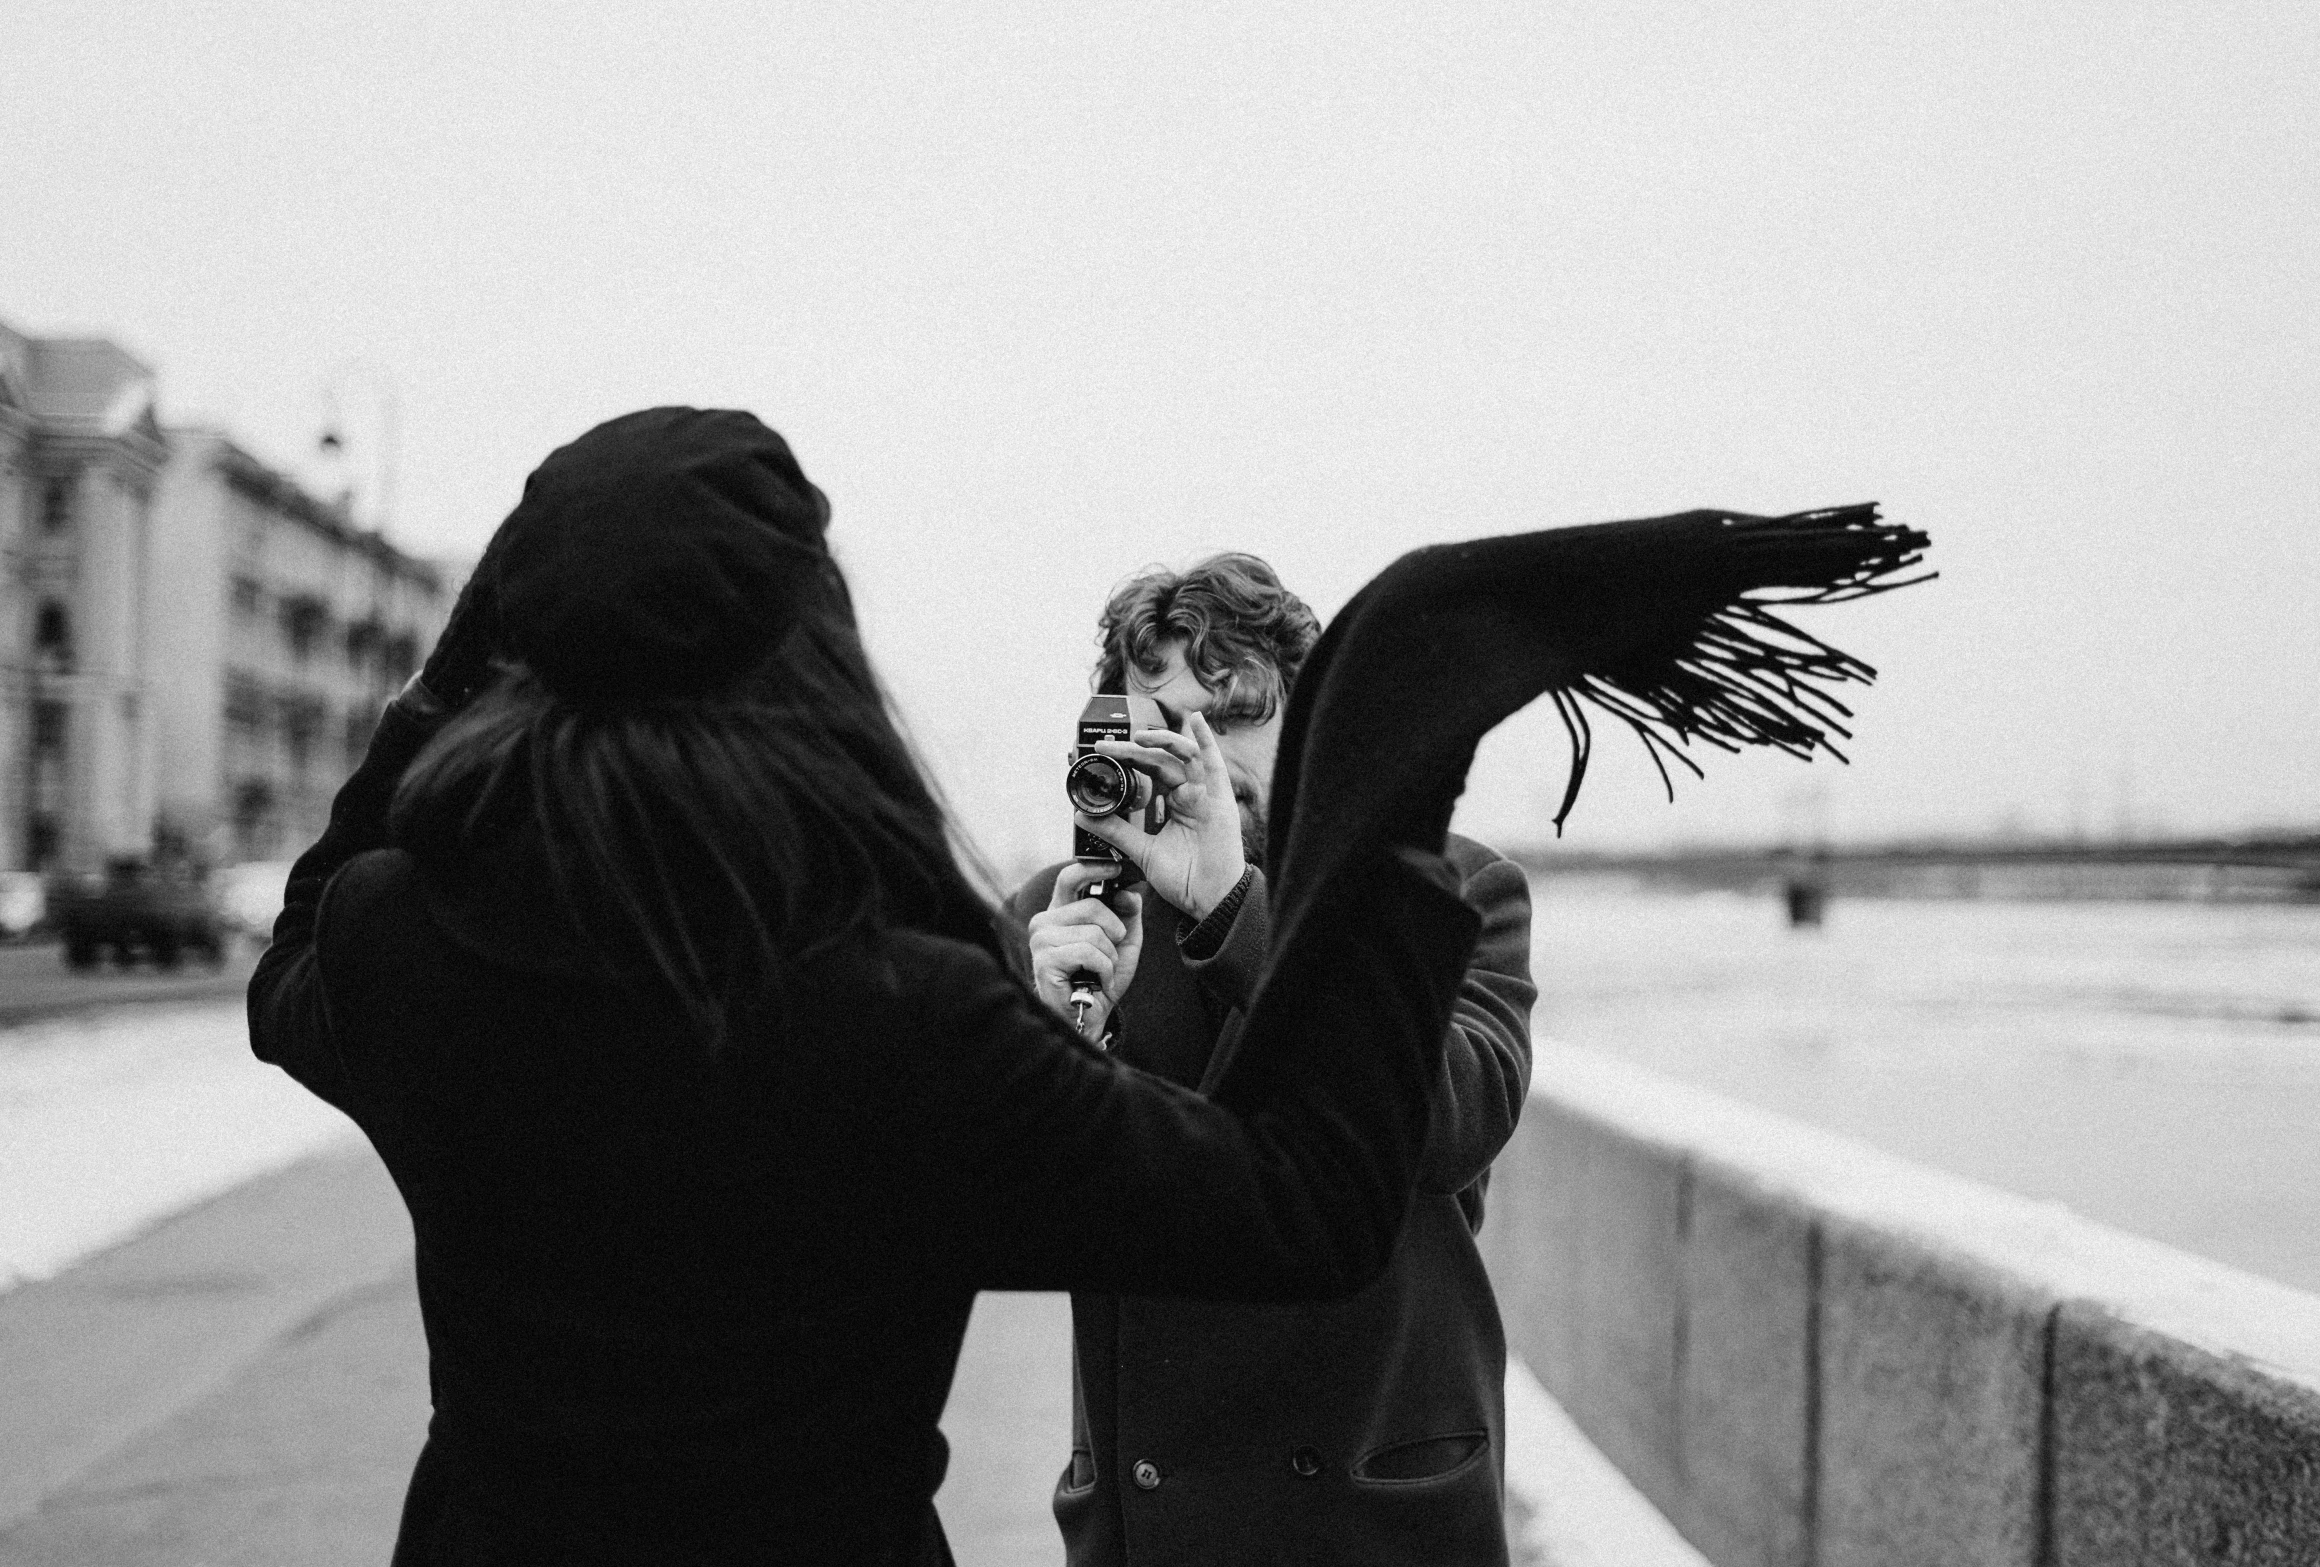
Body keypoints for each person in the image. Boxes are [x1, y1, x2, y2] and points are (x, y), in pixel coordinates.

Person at [246, 408, 1483, 1566]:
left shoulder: (401, 942)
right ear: (815, 656)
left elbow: (294, 956)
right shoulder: (904, 1010)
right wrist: (1386, 774)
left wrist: (454, 665)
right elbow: (1300, 1206)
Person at [1016, 555, 1536, 1565]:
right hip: (1150, 1514)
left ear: (1309, 720)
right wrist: (1056, 1044)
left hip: (1370, 1500)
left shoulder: (1444, 888)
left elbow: (1449, 1121)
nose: (1196, 750)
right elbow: (994, 1214)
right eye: (1162, 716)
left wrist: (1233, 915)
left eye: (1234, 711)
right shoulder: (1064, 919)